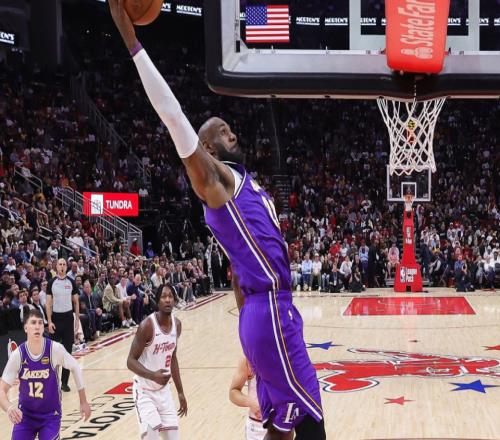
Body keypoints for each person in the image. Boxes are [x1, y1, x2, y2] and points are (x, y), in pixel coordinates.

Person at [108, 2, 325, 438]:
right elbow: (173, 117)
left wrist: (250, 325)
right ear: (206, 148)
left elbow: (239, 273)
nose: (233, 133)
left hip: (263, 312)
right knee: (310, 419)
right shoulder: (217, 181)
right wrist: (133, 44)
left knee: (280, 427)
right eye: (223, 131)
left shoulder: (245, 184)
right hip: (271, 309)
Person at [0, 309, 91, 439]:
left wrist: (83, 401)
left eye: (40, 323)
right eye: (33, 323)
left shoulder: (54, 349)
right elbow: (2, 389)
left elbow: (75, 367)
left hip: (50, 415)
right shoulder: (18, 354)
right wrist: (9, 408)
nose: (37, 326)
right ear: (25, 328)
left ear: (43, 327)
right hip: (25, 415)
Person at [126, 284, 187, 439]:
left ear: (174, 300)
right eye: (163, 296)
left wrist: (180, 392)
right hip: (144, 391)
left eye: (170, 296)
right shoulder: (147, 325)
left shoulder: (177, 325)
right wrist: (153, 375)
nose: (167, 300)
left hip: (164, 392)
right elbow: (130, 361)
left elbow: (173, 358)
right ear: (158, 301)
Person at [45, 258, 80, 392]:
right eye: (60, 264)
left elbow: (76, 302)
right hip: (56, 319)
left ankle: (64, 383)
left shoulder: (71, 282)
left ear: (67, 267)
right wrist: (49, 321)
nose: (62, 266)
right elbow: (48, 303)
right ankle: (54, 382)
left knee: (67, 352)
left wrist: (77, 319)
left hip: (68, 319)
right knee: (54, 353)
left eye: (64, 264)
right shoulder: (51, 283)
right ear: (56, 266)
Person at [229, 356, 267, 440]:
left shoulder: (289, 354)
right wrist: (249, 402)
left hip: (283, 426)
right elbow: (233, 392)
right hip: (257, 427)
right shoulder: (247, 358)